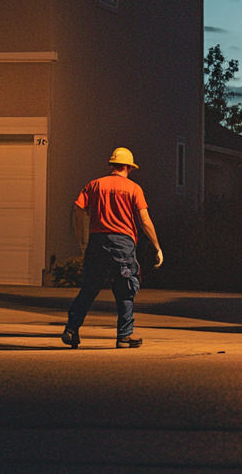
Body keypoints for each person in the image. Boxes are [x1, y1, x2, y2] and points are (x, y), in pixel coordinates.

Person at [62, 147, 163, 349]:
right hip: (123, 243)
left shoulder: (94, 185)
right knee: (125, 289)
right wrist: (156, 246)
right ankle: (124, 335)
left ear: (112, 166)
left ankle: (71, 329)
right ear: (128, 168)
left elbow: (78, 209)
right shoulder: (134, 189)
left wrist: (83, 240)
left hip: (97, 240)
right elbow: (144, 220)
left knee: (89, 288)